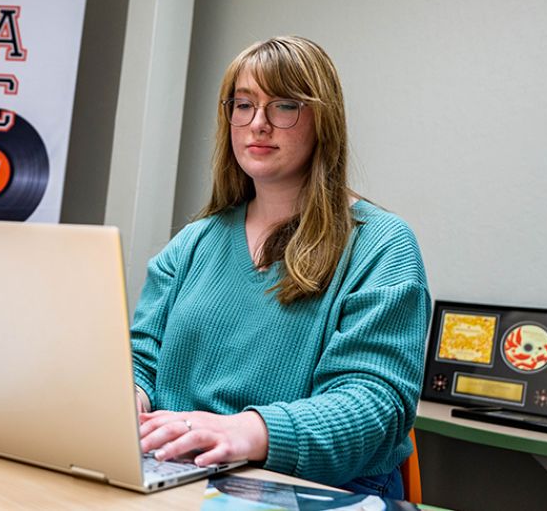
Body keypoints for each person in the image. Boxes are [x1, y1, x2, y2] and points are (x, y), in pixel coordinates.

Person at [129, 36, 431, 500]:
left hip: (310, 488)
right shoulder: (194, 241)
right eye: (244, 105)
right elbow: (142, 356)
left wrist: (246, 431)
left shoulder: (380, 246)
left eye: (284, 106)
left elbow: (374, 405)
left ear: (322, 120)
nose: (258, 124)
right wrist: (128, 398)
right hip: (176, 473)